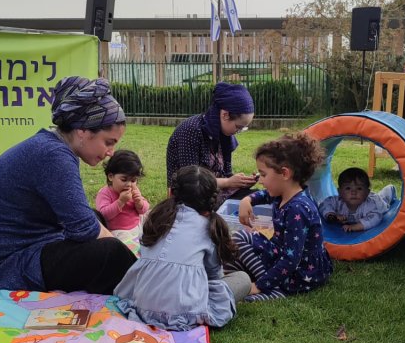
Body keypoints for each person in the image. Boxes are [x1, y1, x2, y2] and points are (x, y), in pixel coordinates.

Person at [0, 76, 137, 293]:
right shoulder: (53, 156)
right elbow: (85, 230)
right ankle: (151, 287)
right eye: (108, 142)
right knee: (110, 252)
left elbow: (79, 220)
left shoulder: (53, 147)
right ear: (82, 130)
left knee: (96, 219)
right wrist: (131, 259)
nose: (111, 152)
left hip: (21, 248)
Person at [114, 165, 251, 331]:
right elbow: (214, 276)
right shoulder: (208, 227)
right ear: (212, 200)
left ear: (171, 192)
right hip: (183, 314)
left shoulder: (154, 218)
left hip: (142, 306)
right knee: (243, 279)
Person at [226, 132, 333, 302]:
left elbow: (291, 260)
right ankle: (250, 278)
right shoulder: (284, 192)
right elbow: (263, 195)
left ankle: (272, 288)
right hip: (282, 256)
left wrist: (259, 286)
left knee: (240, 237)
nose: (260, 180)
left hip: (300, 274)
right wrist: (246, 200)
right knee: (232, 255)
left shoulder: (297, 209)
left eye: (263, 174)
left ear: (284, 174)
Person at [165, 82, 257, 203]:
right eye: (238, 127)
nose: (238, 131)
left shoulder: (223, 135)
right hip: (192, 201)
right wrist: (228, 182)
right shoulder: (191, 131)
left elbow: (225, 173)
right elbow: (190, 182)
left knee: (257, 198)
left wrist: (241, 182)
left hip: (215, 193)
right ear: (225, 115)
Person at [95, 150, 149, 247]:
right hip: (118, 231)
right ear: (111, 177)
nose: (128, 184)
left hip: (137, 225)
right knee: (127, 247)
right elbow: (103, 215)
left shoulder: (133, 189)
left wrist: (139, 202)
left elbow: (143, 210)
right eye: (124, 179)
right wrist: (120, 202)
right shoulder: (105, 193)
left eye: (133, 180)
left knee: (149, 218)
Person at [319, 167, 397, 232]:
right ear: (340, 192)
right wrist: (331, 214)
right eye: (348, 188)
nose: (353, 192)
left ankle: (390, 189)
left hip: (379, 202)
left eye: (359, 188)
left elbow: (376, 218)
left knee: (384, 199)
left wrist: (356, 226)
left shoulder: (371, 205)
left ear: (367, 192)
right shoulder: (337, 201)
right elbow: (324, 204)